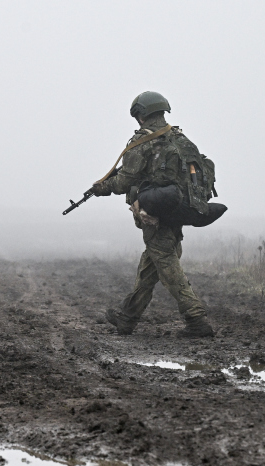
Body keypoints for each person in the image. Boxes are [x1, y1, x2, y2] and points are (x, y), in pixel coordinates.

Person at [90, 91, 214, 338]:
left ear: (141, 115)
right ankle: (127, 318)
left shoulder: (142, 142)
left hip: (156, 215)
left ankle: (196, 319)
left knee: (167, 265)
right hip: (179, 210)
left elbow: (124, 182)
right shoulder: (180, 139)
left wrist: (101, 187)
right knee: (151, 266)